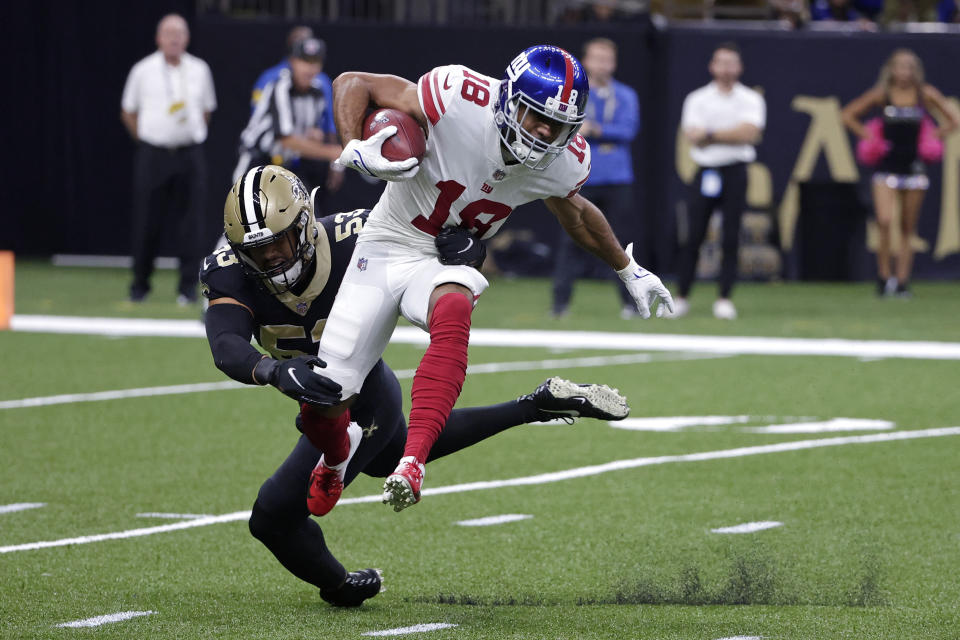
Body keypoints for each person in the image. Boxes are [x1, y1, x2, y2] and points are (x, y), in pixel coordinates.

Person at [201, 164, 630, 606]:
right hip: (328, 400)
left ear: (305, 224)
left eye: (278, 241)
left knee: (272, 516)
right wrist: (272, 370)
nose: (271, 257)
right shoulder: (229, 271)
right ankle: (535, 405)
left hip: (364, 392)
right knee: (386, 456)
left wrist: (469, 248)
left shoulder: (357, 236)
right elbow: (226, 343)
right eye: (258, 250)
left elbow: (442, 237)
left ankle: (340, 586)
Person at [308, 44, 672, 516]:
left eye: (558, 125)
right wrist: (353, 144)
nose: (545, 133)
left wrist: (628, 268)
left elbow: (577, 214)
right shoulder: (459, 96)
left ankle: (413, 462)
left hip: (442, 263)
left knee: (456, 306)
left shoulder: (563, 161)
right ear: (507, 99)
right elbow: (351, 81)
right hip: (386, 244)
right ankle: (337, 456)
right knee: (325, 396)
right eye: (535, 116)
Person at [842, 48, 959, 297]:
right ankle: (884, 279)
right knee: (884, 221)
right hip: (886, 165)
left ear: (916, 70)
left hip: (914, 166)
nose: (904, 72)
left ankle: (903, 281)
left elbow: (953, 119)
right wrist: (869, 136)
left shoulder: (924, 94)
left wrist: (932, 136)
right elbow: (848, 114)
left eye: (909, 67)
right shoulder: (882, 94)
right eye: (899, 66)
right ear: (891, 69)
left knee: (908, 226)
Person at [121, 13, 216, 304]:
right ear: (158, 38)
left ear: (186, 38)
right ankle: (140, 284)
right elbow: (128, 110)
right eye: (168, 33)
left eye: (179, 32)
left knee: (192, 222)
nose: (174, 38)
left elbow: (207, 110)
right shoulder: (143, 70)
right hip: (154, 154)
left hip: (189, 153)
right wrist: (149, 139)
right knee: (147, 220)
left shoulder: (199, 69)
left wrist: (188, 134)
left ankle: (187, 286)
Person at [673, 42, 765, 321]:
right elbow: (693, 135)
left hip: (736, 170)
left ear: (740, 67)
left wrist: (711, 133)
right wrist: (726, 133)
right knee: (695, 235)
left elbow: (749, 133)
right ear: (712, 66)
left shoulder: (751, 98)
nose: (726, 68)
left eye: (731, 63)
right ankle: (682, 297)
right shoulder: (697, 98)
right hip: (707, 170)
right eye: (721, 62)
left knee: (732, 236)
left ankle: (724, 298)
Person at [551, 38, 640, 319]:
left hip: (617, 178)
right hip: (579, 178)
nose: (602, 64)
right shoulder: (572, 93)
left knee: (620, 242)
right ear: (585, 61)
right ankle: (560, 305)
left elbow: (628, 130)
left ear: (614, 63)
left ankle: (631, 303)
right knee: (570, 240)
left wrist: (595, 130)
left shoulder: (626, 95)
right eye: (596, 58)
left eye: (607, 59)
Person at [249, 26, 344, 210]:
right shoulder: (279, 85)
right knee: (247, 220)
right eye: (304, 61)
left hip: (288, 165)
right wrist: (333, 153)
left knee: (304, 218)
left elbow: (317, 130)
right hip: (258, 161)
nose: (309, 68)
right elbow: (286, 140)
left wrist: (315, 136)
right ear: (292, 61)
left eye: (315, 62)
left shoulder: (318, 90)